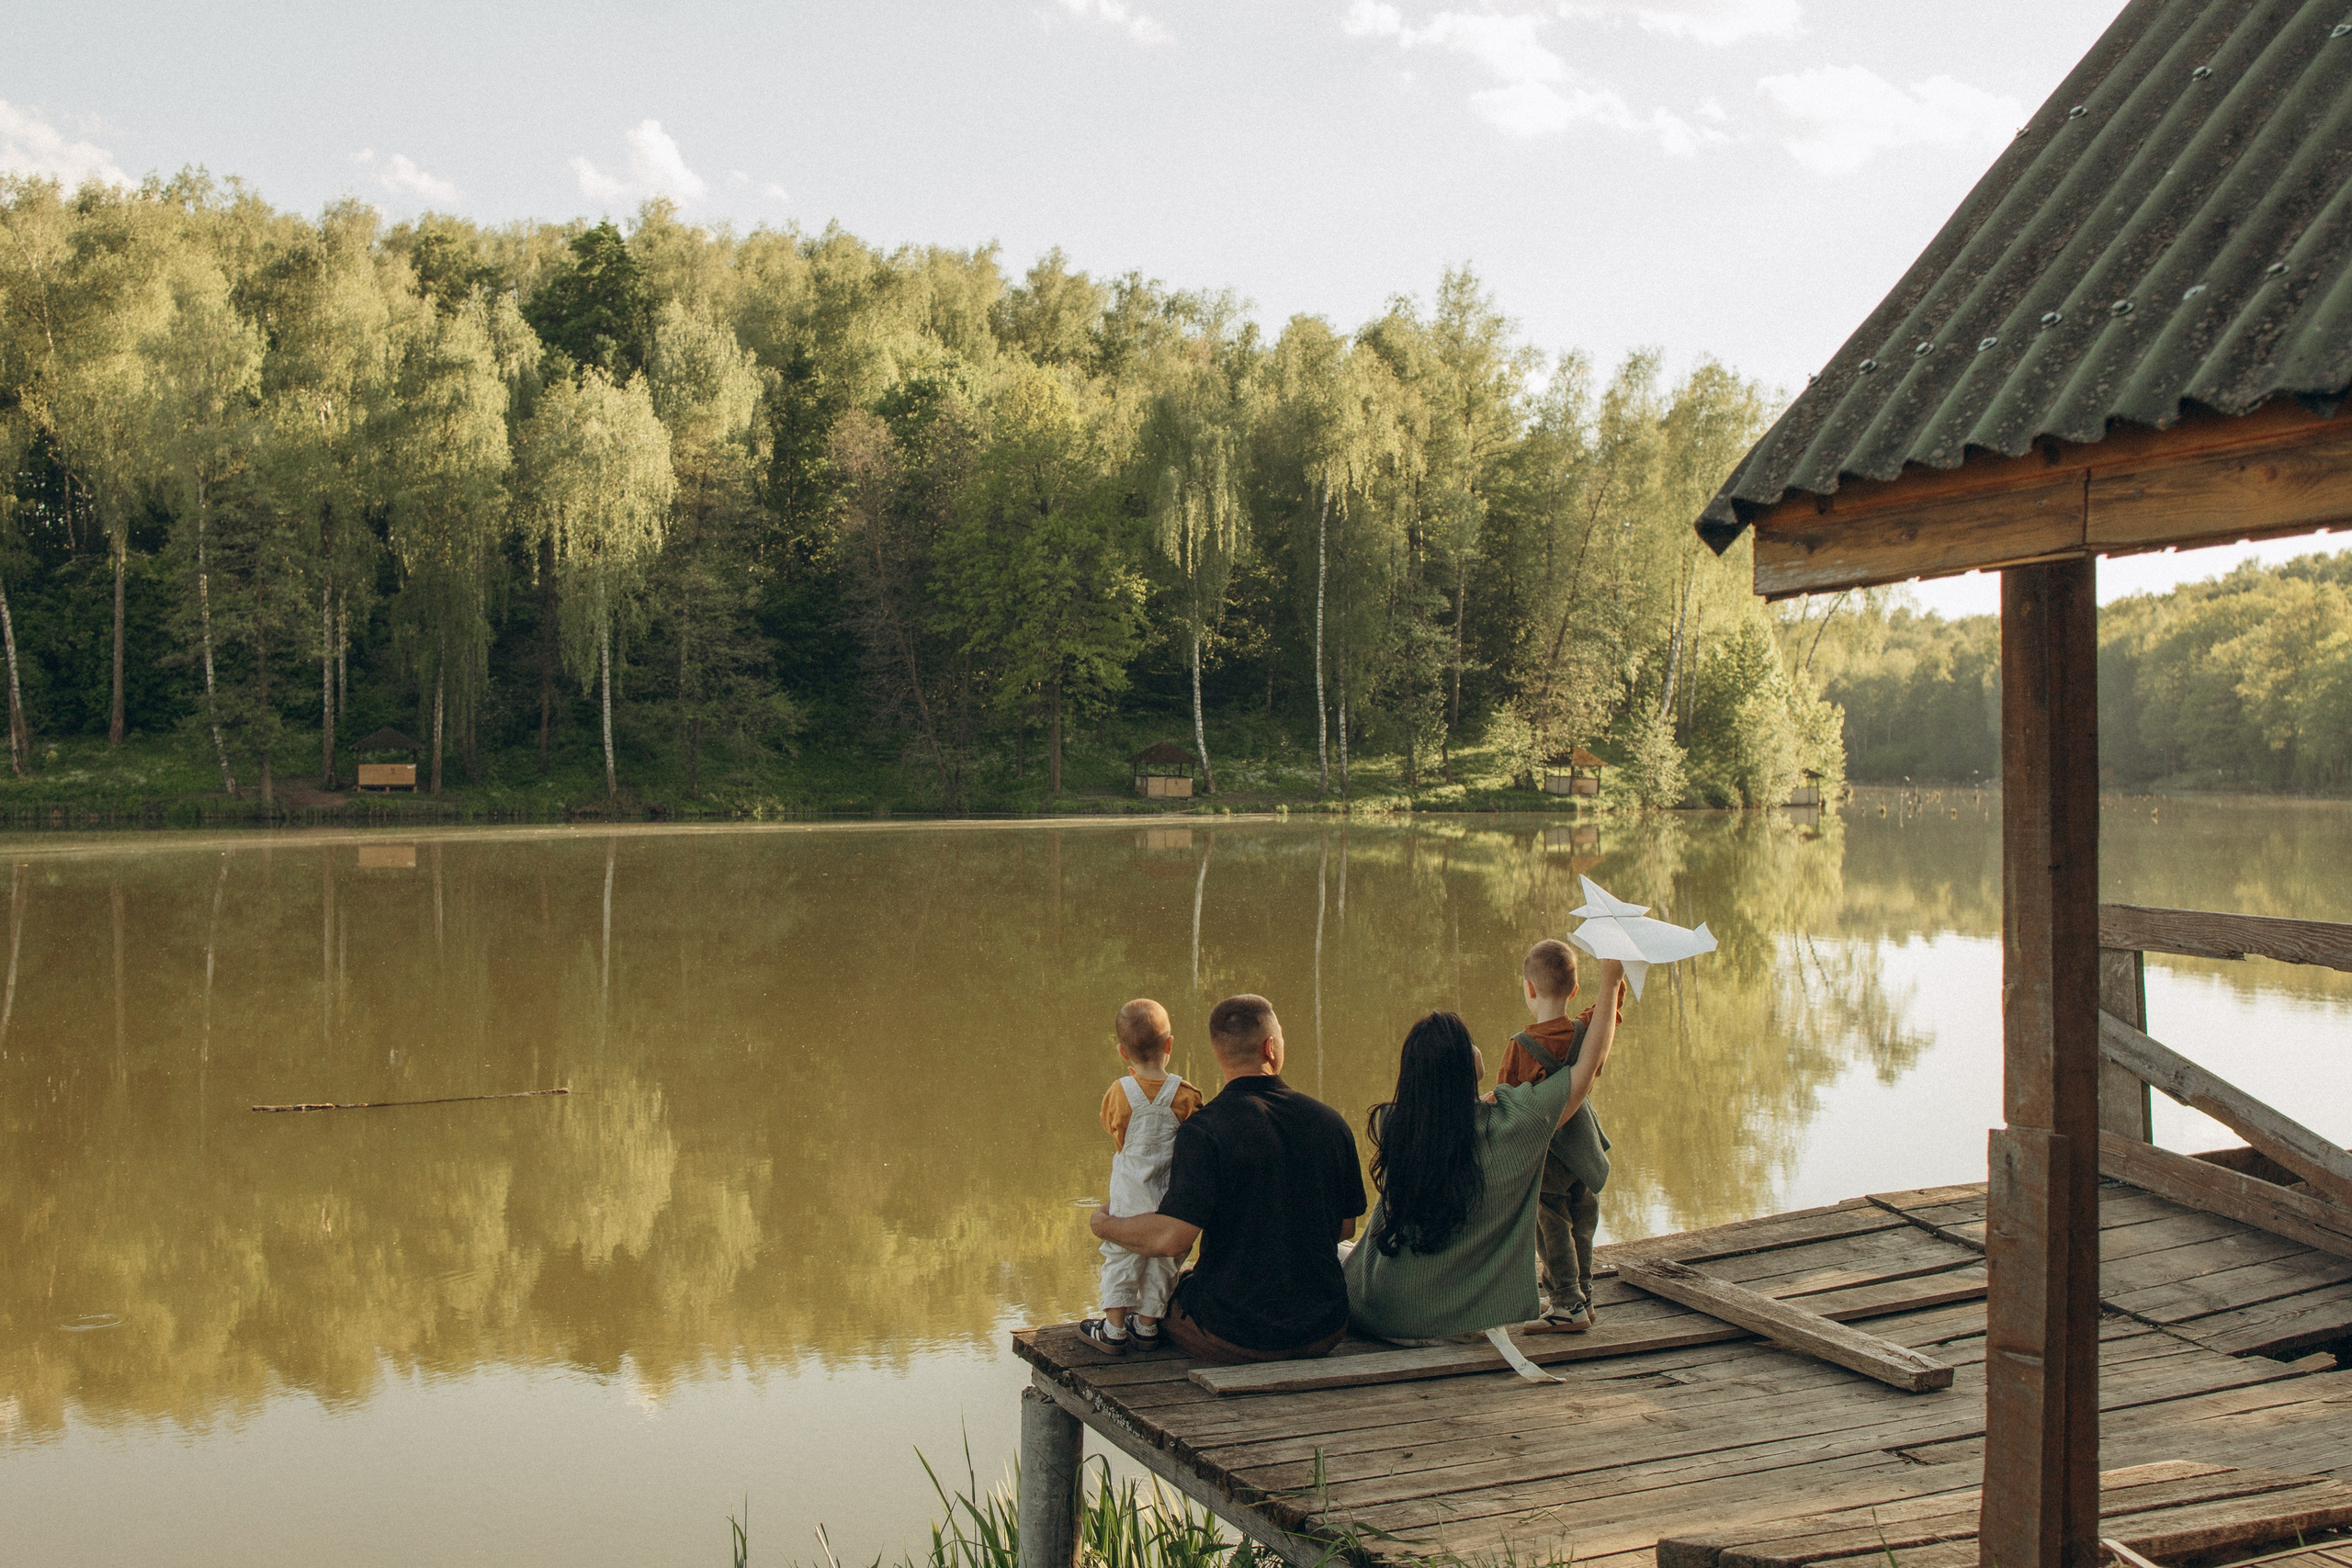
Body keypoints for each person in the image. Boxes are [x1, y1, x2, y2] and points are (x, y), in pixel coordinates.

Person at [1344, 960, 1625, 1346]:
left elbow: (1443, 1119)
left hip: (1371, 1305)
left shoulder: (1394, 1122)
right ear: (1466, 1067)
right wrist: (1610, 984)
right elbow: (1589, 1066)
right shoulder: (1512, 1124)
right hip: (1444, 1321)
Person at [1089, 994, 1365, 1363]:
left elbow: (1171, 1239)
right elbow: (1345, 1228)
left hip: (1232, 1335)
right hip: (1323, 1329)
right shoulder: (1331, 1124)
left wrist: (1104, 1225)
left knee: (1169, 1287)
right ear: (1270, 1047)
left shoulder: (1203, 1131)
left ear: (1218, 1053)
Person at [1497, 938, 1620, 1333]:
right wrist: (1614, 976)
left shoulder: (1520, 1047)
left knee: (1551, 1228)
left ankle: (1566, 1303)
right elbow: (1608, 1012)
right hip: (1583, 1152)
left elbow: (1507, 1108)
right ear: (1574, 989)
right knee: (1583, 1220)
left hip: (1548, 1157)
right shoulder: (1585, 1030)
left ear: (1529, 989)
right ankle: (1585, 1295)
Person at [1076, 998, 1205, 1354]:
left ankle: (1114, 1329)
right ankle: (1147, 1325)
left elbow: (1112, 1129)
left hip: (1129, 1195)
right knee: (1164, 1261)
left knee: (1121, 1257)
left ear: (1122, 1052)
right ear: (1169, 1045)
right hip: (1169, 1197)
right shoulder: (1187, 1095)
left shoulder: (1119, 1093)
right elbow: (1196, 1140)